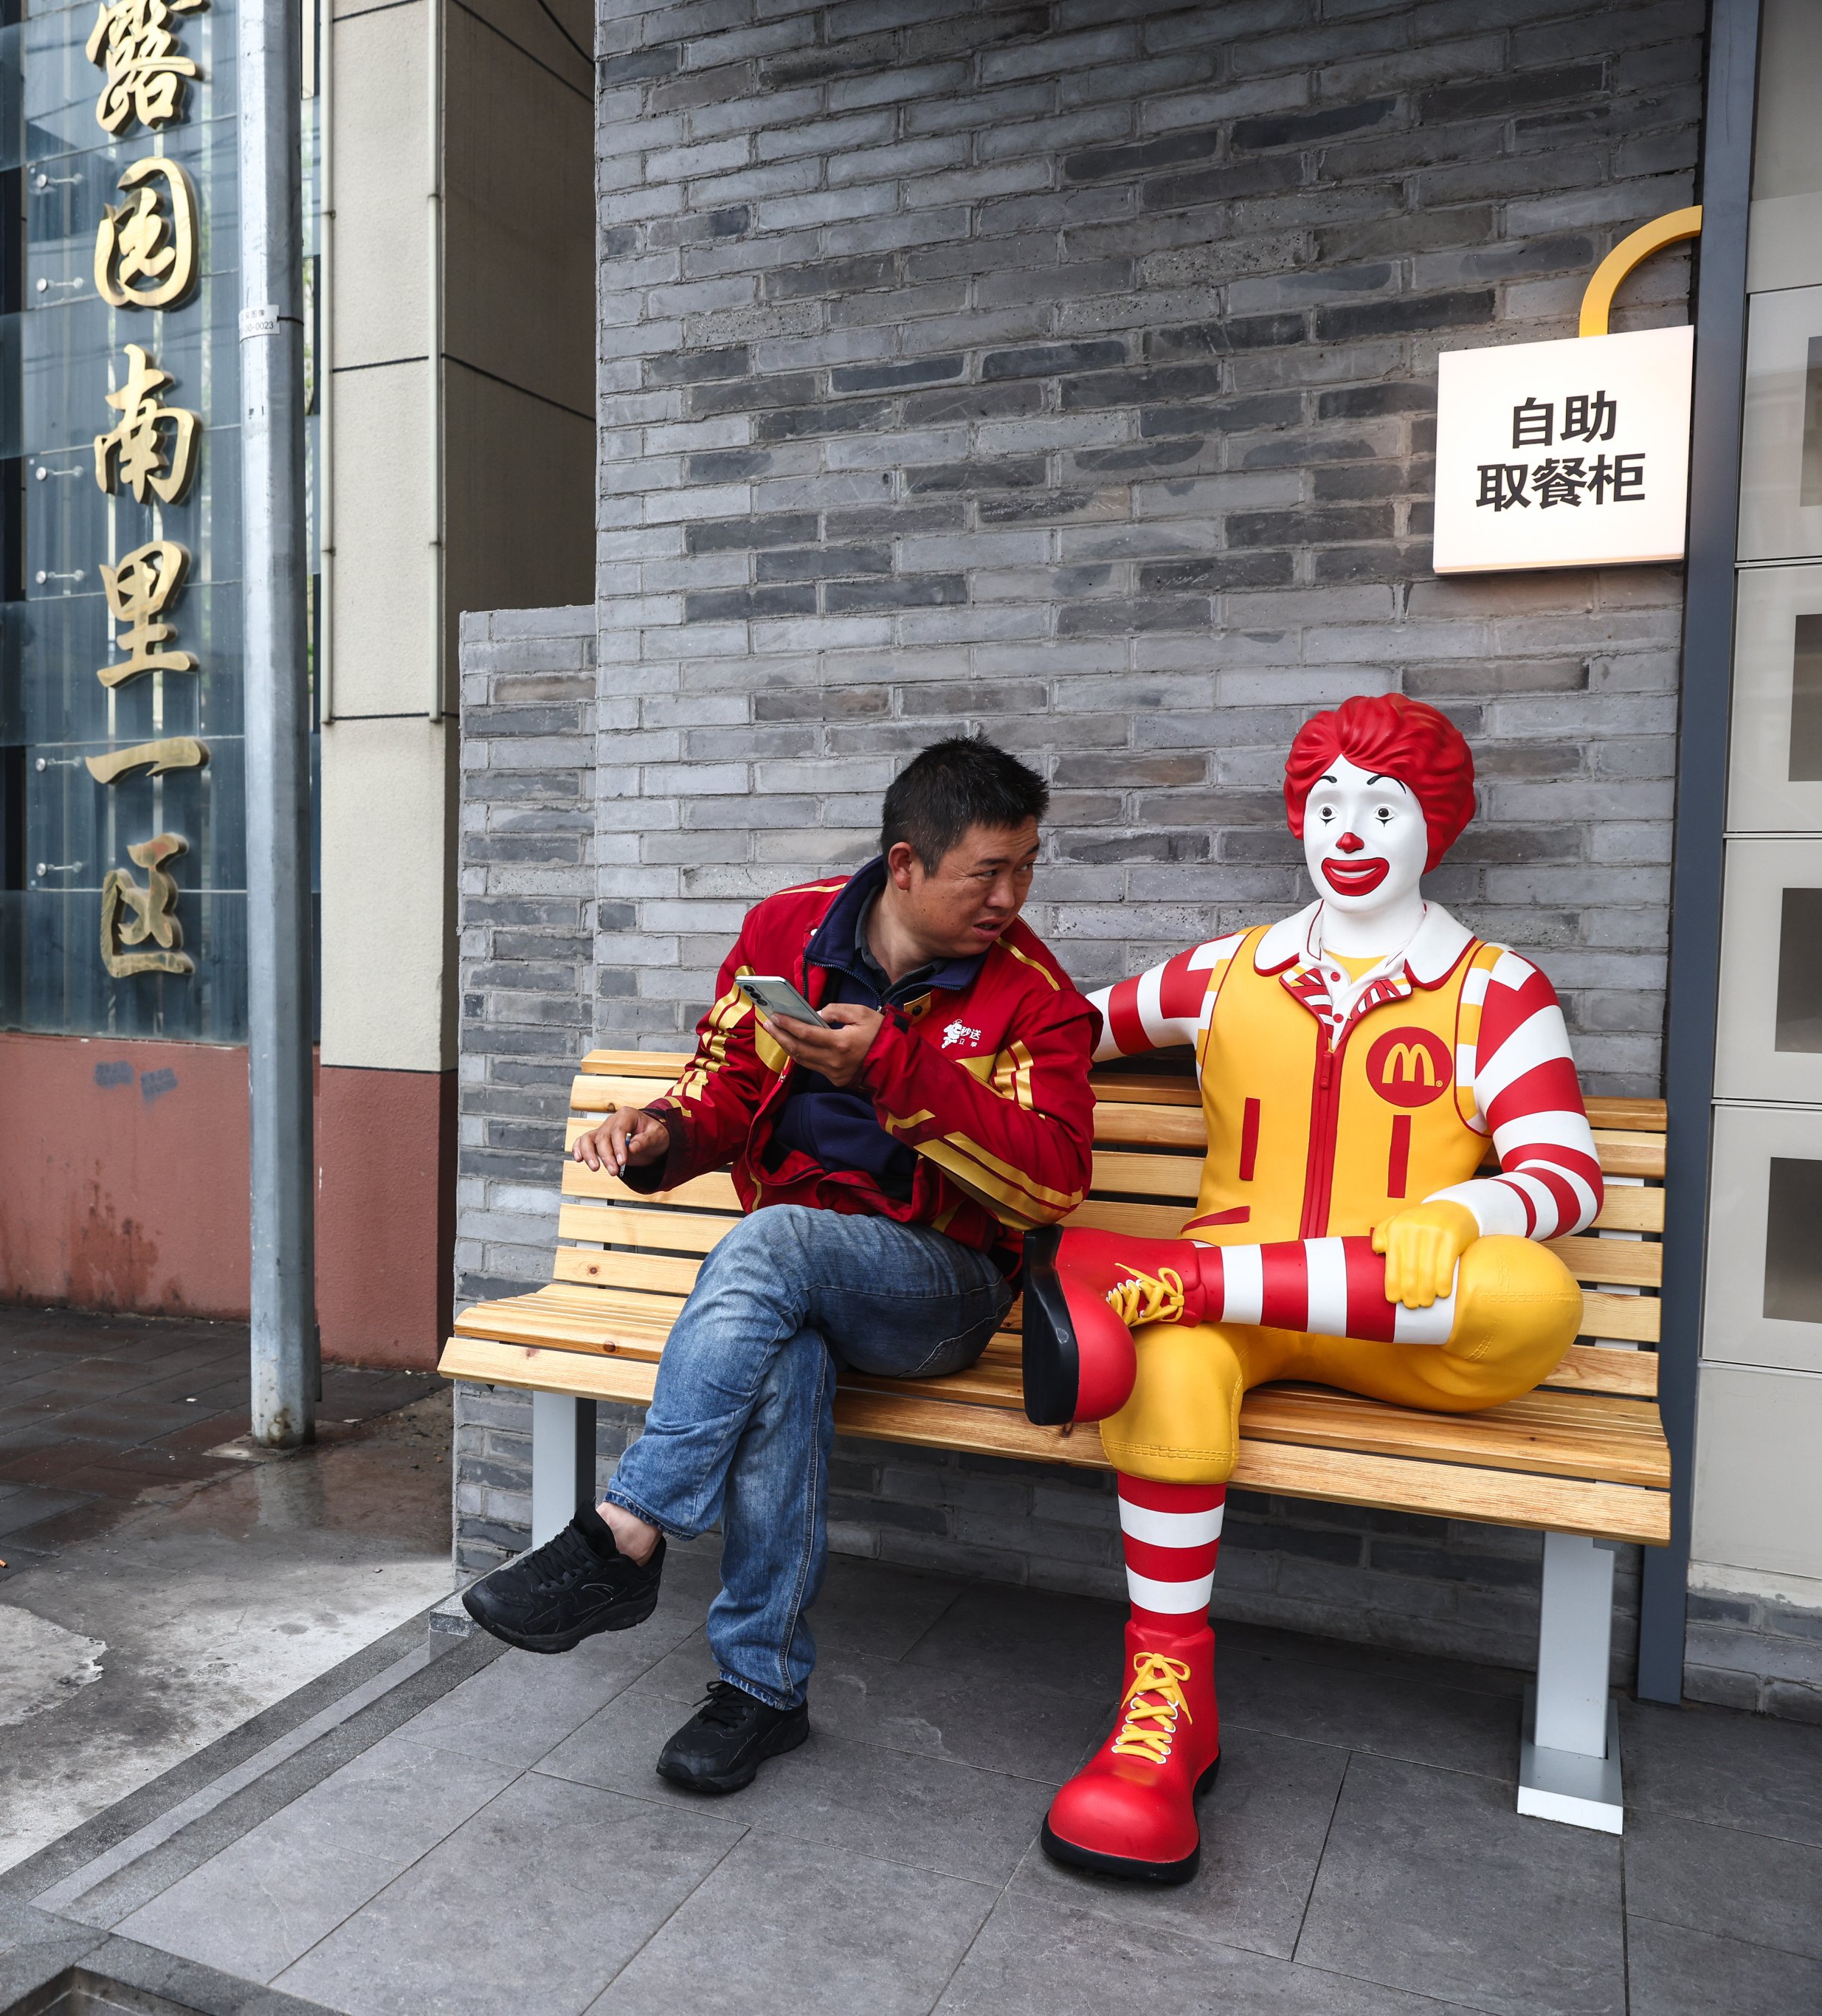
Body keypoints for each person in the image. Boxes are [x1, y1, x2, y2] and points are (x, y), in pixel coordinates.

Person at [1021, 693, 1600, 1884]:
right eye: (1327, 803)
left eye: (1382, 806)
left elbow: (1566, 1173)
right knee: (1170, 1360)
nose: (1349, 829)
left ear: (1434, 825)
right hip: (1234, 1327)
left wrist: (1469, 1208)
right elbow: (1070, 1028)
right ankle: (1164, 1709)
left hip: (1400, 1318)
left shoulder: (1496, 988)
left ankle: (1161, 1279)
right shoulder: (1230, 971)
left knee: (1534, 1298)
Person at [460, 736, 1100, 1793]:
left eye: (1026, 865)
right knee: (785, 1358)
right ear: (906, 865)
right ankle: (760, 1693)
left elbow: (1053, 1186)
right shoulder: (787, 933)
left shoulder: (1033, 998)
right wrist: (658, 1133)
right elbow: (719, 1086)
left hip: (941, 1291)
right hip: (792, 1282)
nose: (1011, 895)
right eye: (989, 870)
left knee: (771, 1242)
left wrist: (895, 1066)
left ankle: (624, 1533)